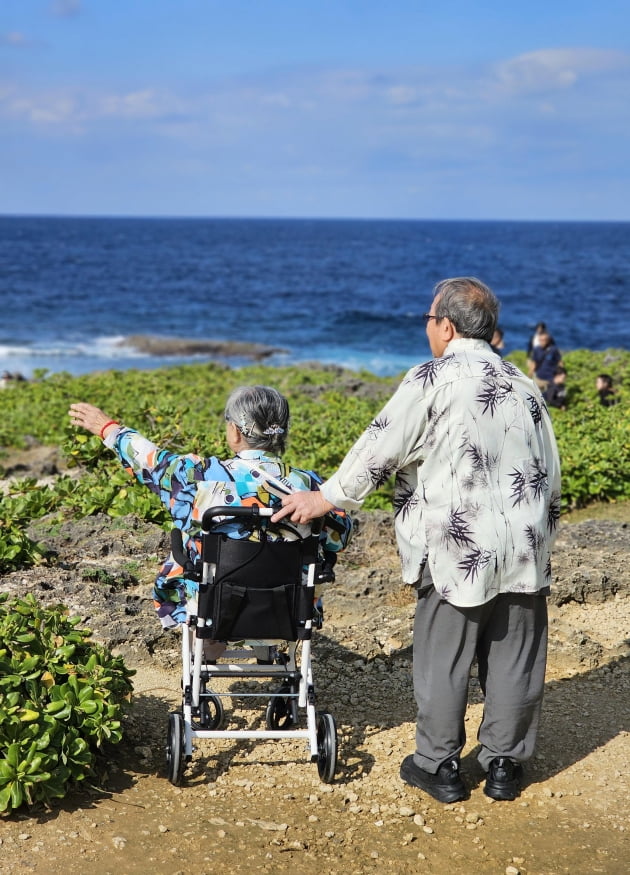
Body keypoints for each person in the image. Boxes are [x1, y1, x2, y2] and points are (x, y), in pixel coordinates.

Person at [273, 277, 561, 804]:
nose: (429, 327)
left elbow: (380, 448)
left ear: (446, 327)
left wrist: (325, 498)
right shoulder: (524, 384)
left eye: (430, 319)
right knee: (515, 657)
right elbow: (552, 473)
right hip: (524, 545)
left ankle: (439, 765)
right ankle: (503, 766)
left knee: (443, 658)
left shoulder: (432, 378)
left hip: (456, 549)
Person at [69, 385, 352, 638]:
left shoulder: (199, 475)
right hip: (290, 606)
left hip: (213, 603)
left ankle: (211, 646)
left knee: (187, 545)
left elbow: (149, 460)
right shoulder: (314, 488)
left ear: (235, 431)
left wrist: (108, 427)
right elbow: (338, 537)